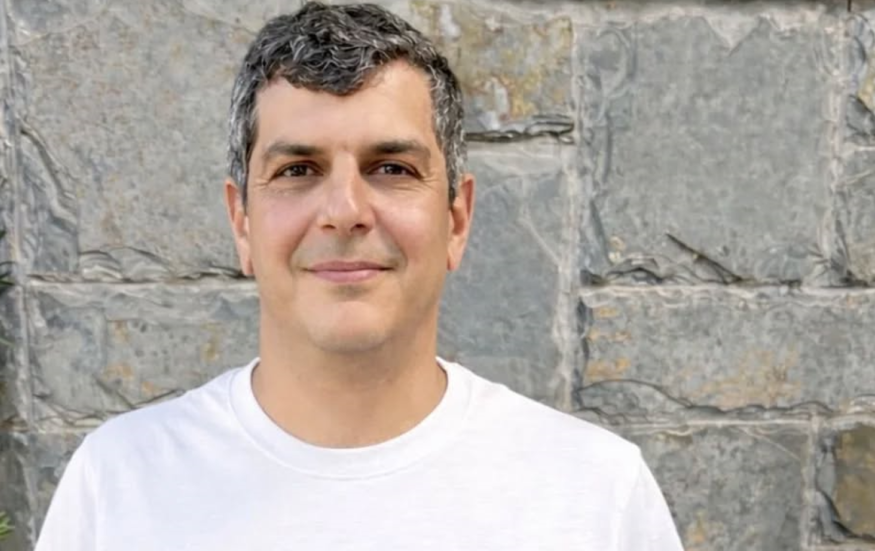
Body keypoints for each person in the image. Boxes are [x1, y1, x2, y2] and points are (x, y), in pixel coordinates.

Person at [34, 3, 684, 550]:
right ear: (242, 222)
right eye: (298, 171)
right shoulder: (118, 484)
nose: (345, 211)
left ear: (456, 217)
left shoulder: (596, 495)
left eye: (391, 168)